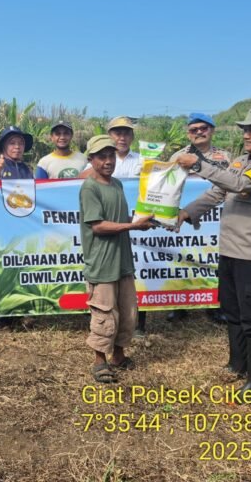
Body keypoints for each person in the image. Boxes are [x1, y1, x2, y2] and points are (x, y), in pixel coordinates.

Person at [174, 107, 251, 399]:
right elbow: (218, 192)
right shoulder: (241, 160)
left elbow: (241, 185)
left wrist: (198, 165)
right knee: (233, 311)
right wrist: (186, 213)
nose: (247, 134)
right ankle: (236, 364)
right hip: (230, 251)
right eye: (245, 128)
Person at [79, 135, 155, 383]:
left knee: (127, 311)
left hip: (122, 260)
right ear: (91, 160)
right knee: (104, 312)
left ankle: (119, 356)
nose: (108, 161)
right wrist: (133, 226)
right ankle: (99, 361)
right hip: (102, 262)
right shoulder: (90, 187)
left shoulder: (117, 185)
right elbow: (98, 227)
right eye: (102, 157)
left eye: (111, 155)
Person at [167, 112, 231, 324]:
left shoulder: (226, 157)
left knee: (214, 258)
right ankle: (179, 306)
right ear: (188, 134)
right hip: (185, 215)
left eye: (203, 128)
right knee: (183, 257)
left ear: (211, 130)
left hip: (217, 216)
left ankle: (216, 305)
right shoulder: (177, 157)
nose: (199, 133)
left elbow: (232, 183)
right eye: (194, 130)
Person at [0, 125, 34, 329]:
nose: (17, 147)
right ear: (4, 146)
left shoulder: (26, 169)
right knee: (1, 269)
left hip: (22, 226)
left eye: (20, 143)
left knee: (20, 268)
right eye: (12, 143)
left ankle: (21, 310)